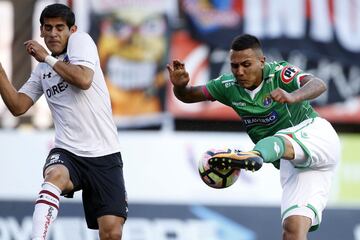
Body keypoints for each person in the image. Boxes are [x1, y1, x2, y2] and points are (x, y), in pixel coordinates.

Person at [167, 34, 340, 240]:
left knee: (280, 138)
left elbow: (318, 84)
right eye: (234, 66)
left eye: (246, 64)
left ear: (261, 61)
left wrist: (292, 96)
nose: (239, 71)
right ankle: (252, 157)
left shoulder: (279, 73)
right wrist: (179, 86)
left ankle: (251, 156)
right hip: (294, 166)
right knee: (292, 230)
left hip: (315, 136)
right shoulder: (228, 86)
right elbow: (188, 95)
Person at [0, 3, 127, 240]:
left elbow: (83, 79)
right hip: (68, 151)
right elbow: (18, 106)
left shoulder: (81, 42)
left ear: (72, 30)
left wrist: (45, 57)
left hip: (105, 154)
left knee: (111, 233)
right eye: (48, 28)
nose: (53, 33)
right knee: (54, 175)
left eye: (60, 28)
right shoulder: (41, 71)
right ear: (41, 31)